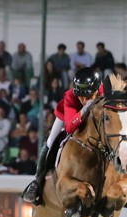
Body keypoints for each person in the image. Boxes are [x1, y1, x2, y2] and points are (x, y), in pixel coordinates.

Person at [21, 67, 102, 204]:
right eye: (80, 95)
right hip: (68, 116)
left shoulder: (104, 92)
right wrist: (85, 108)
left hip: (95, 117)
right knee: (50, 141)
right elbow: (70, 127)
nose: (83, 99)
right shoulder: (71, 96)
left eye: (87, 96)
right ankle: (37, 182)